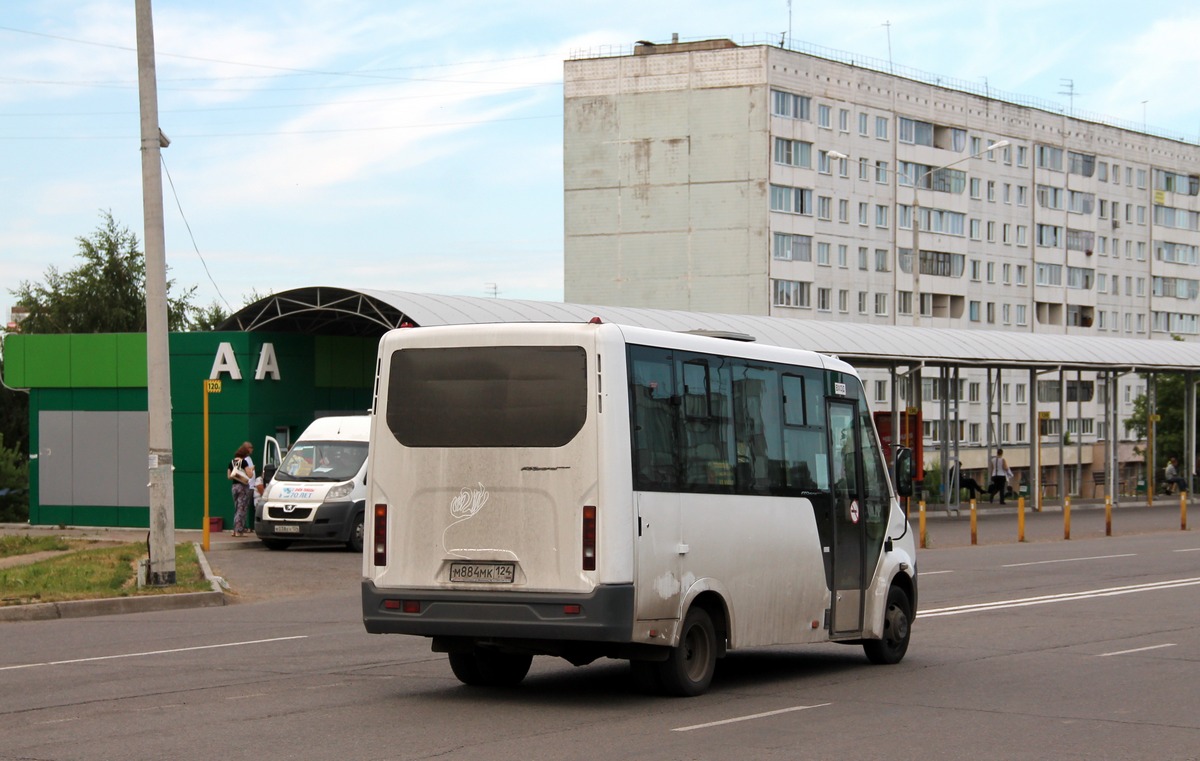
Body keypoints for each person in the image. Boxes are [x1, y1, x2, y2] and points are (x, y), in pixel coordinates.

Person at [229, 441, 256, 537]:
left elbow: (229, 476)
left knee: (237, 508)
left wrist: (237, 475)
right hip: (243, 487)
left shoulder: (232, 462)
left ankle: (234, 529)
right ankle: (238, 530)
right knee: (242, 508)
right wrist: (251, 469)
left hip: (234, 487)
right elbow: (250, 475)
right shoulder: (244, 462)